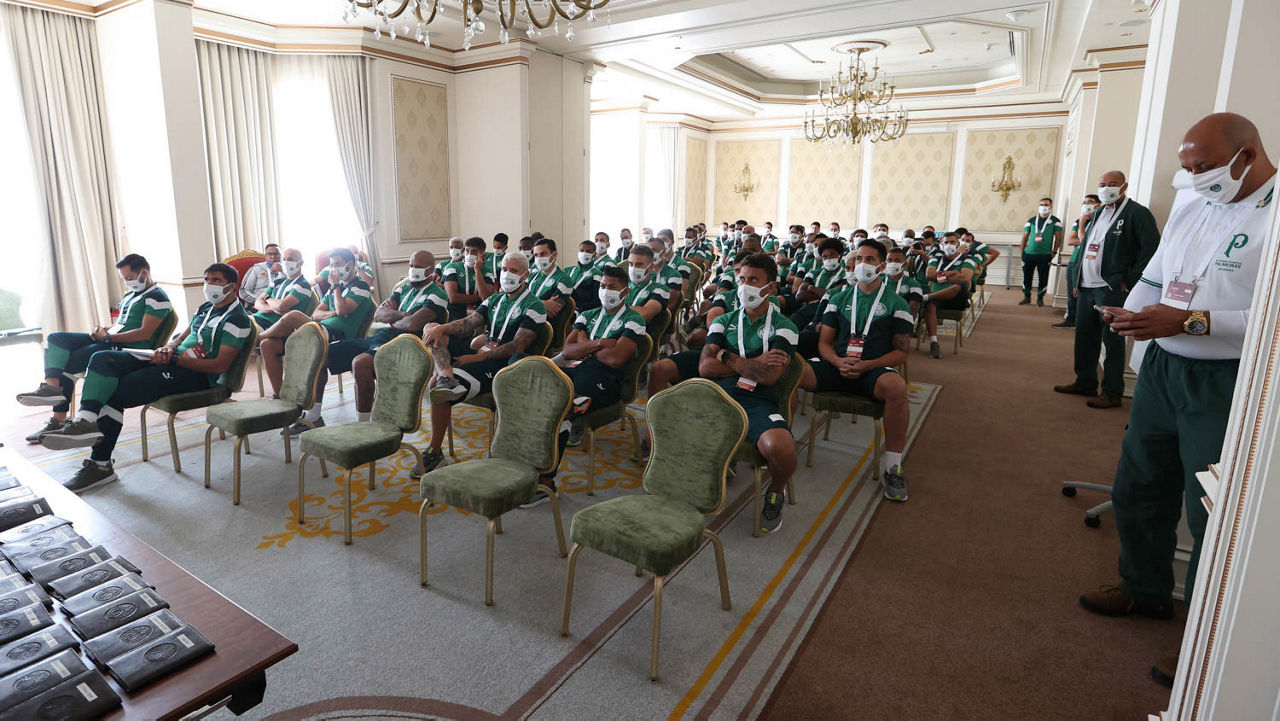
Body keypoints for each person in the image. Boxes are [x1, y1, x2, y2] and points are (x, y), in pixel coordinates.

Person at [1079, 113, 1276, 687]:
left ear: (1247, 155)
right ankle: (1143, 588)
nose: (1194, 177)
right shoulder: (1193, 205)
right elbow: (1156, 277)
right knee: (1139, 483)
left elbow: (1270, 318)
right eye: (1187, 168)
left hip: (1226, 378)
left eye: (1205, 166)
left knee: (1210, 507)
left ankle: (1202, 645)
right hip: (1164, 369)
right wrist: (1133, 317)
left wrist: (1188, 321)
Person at [38, 264, 251, 493]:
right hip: (171, 359)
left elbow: (219, 365)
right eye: (206, 279)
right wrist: (168, 348)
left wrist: (174, 360)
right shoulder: (205, 308)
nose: (209, 285)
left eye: (216, 280)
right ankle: (85, 421)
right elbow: (182, 338)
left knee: (113, 392)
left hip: (197, 376)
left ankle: (100, 466)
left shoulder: (237, 320)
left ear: (232, 287)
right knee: (102, 358)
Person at [522, 265, 647, 507]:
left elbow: (615, 359)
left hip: (606, 382)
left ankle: (546, 483)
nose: (606, 291)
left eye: (612, 287)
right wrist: (600, 343)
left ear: (625, 291)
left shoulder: (634, 320)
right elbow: (568, 350)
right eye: (603, 285)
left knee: (561, 410)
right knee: (537, 397)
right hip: (577, 370)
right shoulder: (588, 314)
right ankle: (528, 467)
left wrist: (585, 342)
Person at [800, 239, 913, 500]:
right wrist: (838, 362)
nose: (862, 264)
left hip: (873, 370)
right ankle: (771, 447)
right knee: (790, 372)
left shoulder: (897, 304)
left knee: (897, 388)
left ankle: (893, 467)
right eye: (859, 259)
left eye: (870, 259)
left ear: (882, 266)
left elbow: (901, 353)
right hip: (836, 366)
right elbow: (824, 343)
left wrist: (866, 365)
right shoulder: (838, 298)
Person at [18, 254, 173, 443]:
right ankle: (52, 389)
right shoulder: (131, 295)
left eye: (129, 278)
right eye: (124, 279)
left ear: (144, 273)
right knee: (56, 339)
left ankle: (59, 419)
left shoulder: (158, 297)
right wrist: (103, 331)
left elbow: (144, 334)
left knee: (68, 363)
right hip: (112, 339)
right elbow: (123, 324)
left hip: (128, 348)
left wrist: (108, 337)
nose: (127, 282)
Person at [290, 251, 447, 433]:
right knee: (321, 354)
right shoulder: (403, 289)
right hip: (384, 336)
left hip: (409, 344)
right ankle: (314, 416)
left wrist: (395, 317)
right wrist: (402, 315)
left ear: (430, 269)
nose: (413, 270)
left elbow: (412, 325)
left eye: (418, 267)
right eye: (411, 265)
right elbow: (379, 314)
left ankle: (363, 427)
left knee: (361, 363)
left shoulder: (437, 294)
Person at [420, 252, 547, 472]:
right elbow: (470, 323)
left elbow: (517, 346)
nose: (507, 274)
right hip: (481, 353)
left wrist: (477, 357)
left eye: (514, 271)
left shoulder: (535, 306)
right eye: (504, 269)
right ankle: (446, 376)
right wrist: (443, 328)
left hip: (503, 366)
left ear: (526, 275)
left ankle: (434, 450)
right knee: (432, 329)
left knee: (435, 387)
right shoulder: (495, 299)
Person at [700, 254, 799, 534]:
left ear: (771, 287)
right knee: (674, 422)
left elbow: (769, 376)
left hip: (758, 400)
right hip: (719, 396)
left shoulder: (785, 327)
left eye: (753, 280)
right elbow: (705, 367)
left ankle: (776, 491)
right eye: (742, 279)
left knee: (780, 447)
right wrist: (753, 362)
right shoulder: (723, 321)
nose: (745, 286)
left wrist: (724, 355)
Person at [1054, 170, 1161, 408]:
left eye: (1112, 184)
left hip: (1110, 288)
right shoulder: (1099, 212)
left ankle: (1112, 392)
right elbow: (1086, 246)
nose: (1106, 189)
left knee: (1112, 341)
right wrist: (1077, 279)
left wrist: (1129, 280)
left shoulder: (1137, 214)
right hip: (1086, 287)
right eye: (1102, 184)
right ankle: (1085, 382)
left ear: (1124, 186)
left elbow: (1151, 251)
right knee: (1084, 337)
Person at [259, 248, 376, 397]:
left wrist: (335, 287)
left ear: (350, 264)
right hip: (321, 329)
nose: (333, 269)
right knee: (268, 345)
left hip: (338, 336)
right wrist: (332, 312)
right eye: (331, 265)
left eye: (337, 264)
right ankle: (280, 396)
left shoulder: (360, 286)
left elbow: (341, 310)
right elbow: (316, 314)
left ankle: (258, 337)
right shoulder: (334, 289)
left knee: (293, 316)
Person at [922, 232, 975, 359]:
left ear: (958, 244)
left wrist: (940, 276)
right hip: (937, 297)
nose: (949, 245)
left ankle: (926, 297)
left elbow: (965, 277)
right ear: (941, 244)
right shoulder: (935, 258)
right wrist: (953, 273)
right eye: (946, 242)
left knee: (959, 286)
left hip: (956, 298)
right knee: (930, 307)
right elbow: (929, 275)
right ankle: (934, 342)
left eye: (952, 242)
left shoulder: (967, 259)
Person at [1053, 195, 1100, 329]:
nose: (1086, 205)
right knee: (1071, 293)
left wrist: (1081, 226)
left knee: (1085, 294)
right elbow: (1070, 241)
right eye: (1084, 202)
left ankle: (1083, 322)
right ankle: (1071, 319)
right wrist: (1082, 229)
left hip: (1090, 263)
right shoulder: (1078, 220)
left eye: (1090, 202)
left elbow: (1087, 243)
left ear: (1098, 205)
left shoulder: (1099, 221)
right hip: (1075, 261)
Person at [441, 237, 496, 348]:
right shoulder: (452, 268)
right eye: (467, 251)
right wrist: (477, 297)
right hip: (456, 311)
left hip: (478, 313)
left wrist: (477, 271)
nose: (469, 254)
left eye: (474, 252)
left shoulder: (487, 272)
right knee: (458, 331)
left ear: (483, 255)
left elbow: (485, 297)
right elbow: (453, 298)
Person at [251, 248, 314, 330]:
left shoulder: (303, 285)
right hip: (255, 318)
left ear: (300, 263)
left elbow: (281, 306)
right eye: (284, 259)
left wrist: (267, 298)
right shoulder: (277, 282)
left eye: (290, 259)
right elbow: (257, 303)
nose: (286, 262)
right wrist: (272, 308)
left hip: (274, 324)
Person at [1021, 198, 1064, 306]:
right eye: (1041, 204)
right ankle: (1026, 297)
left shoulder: (1055, 221)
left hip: (1045, 255)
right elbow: (1025, 236)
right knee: (1027, 277)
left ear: (1051, 207)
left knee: (1043, 278)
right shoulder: (1031, 220)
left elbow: (1058, 238)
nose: (1043, 206)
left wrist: (1054, 251)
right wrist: (1022, 252)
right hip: (1029, 254)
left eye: (1046, 204)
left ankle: (1040, 298)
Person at [623, 244, 670, 322]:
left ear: (651, 267)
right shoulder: (623, 288)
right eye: (631, 264)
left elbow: (644, 314)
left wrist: (614, 309)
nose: (633, 268)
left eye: (639, 264)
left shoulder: (660, 290)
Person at [529, 237, 573, 319]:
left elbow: (552, 311)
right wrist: (543, 304)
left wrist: (525, 305)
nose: (539, 258)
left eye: (543, 254)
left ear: (554, 254)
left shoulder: (564, 280)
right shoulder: (532, 275)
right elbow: (517, 299)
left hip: (544, 323)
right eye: (536, 255)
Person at [883, 246, 925, 319]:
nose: (893, 263)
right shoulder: (878, 281)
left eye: (897, 260)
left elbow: (912, 312)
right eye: (889, 260)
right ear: (885, 263)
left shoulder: (914, 285)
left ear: (905, 264)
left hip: (903, 320)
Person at [569, 239, 603, 313]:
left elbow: (596, 302)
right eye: (581, 250)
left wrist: (579, 309)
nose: (584, 253)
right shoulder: (568, 270)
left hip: (581, 311)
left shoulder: (597, 274)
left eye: (588, 251)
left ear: (594, 254)